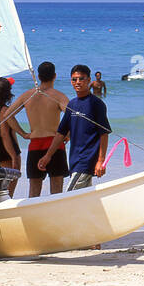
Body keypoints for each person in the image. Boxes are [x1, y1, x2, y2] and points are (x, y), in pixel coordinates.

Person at [1, 61, 69, 197]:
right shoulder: (58, 96)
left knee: (33, 191)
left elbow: (7, 115)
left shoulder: (28, 95)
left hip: (35, 144)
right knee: (56, 192)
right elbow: (72, 116)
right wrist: (67, 134)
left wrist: (23, 134)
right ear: (54, 76)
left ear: (38, 76)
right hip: (55, 145)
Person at [42, 64, 111, 192]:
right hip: (74, 160)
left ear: (89, 80)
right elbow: (61, 133)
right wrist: (48, 156)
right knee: (82, 198)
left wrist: (101, 161)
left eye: (81, 78)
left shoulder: (97, 104)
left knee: (69, 196)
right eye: (74, 79)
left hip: (86, 160)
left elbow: (104, 134)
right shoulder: (72, 104)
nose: (77, 82)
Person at [0, 76, 27, 197]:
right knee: (9, 185)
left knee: (1, 184)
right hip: (5, 150)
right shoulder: (4, 110)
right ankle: (6, 203)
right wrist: (14, 156)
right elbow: (4, 134)